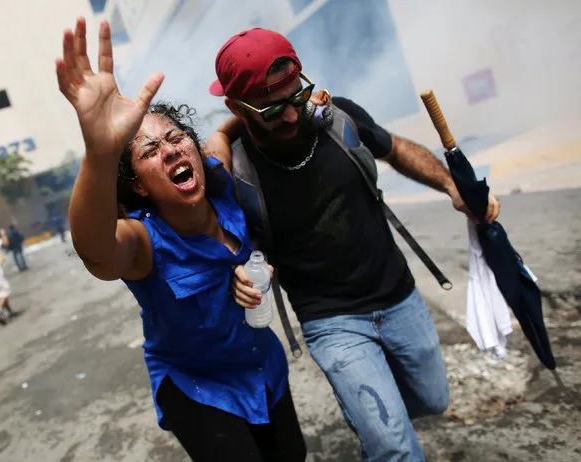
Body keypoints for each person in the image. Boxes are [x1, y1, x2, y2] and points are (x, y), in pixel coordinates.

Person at [212, 28, 501, 461]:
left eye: (296, 98)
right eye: (272, 110)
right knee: (392, 446)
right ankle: (377, 429)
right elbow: (232, 239)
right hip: (331, 320)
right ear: (237, 108)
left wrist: (450, 185)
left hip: (399, 296)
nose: (292, 117)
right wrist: (244, 270)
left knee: (433, 400)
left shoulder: (339, 119)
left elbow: (396, 148)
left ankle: (373, 421)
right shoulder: (233, 167)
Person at [57, 18, 306, 462]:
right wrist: (100, 152)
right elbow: (94, 250)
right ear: (137, 186)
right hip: (197, 387)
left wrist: (286, 103)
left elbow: (223, 130)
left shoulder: (220, 178)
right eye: (150, 152)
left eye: (176, 138)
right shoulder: (141, 242)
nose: (170, 150)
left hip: (262, 365)